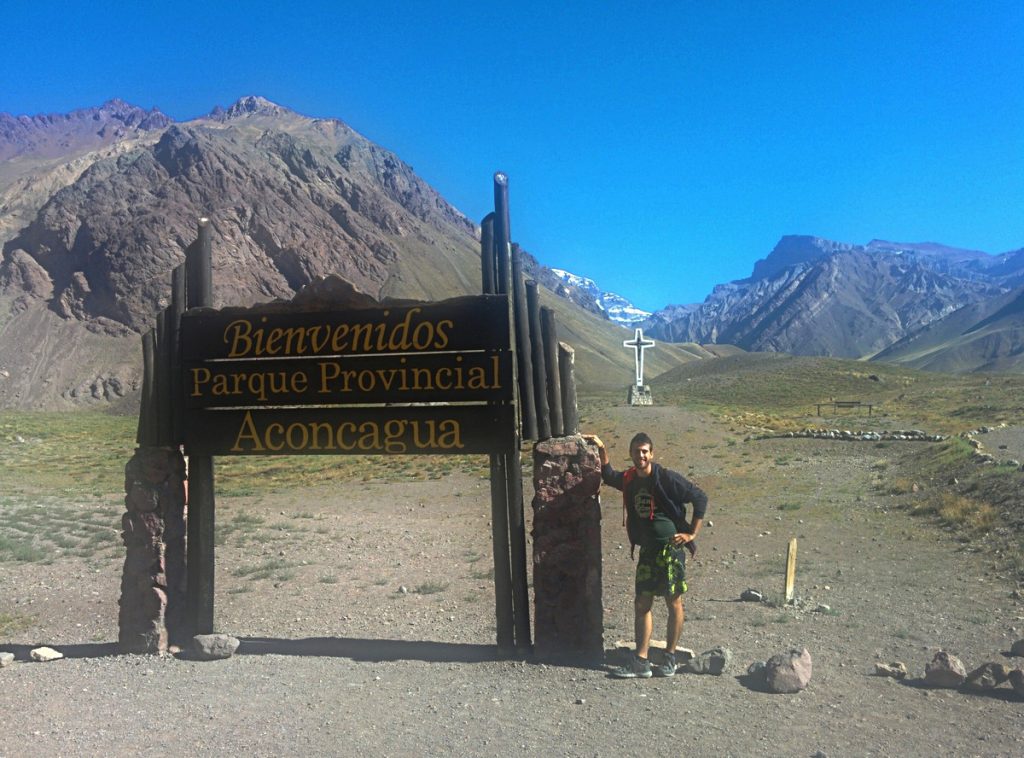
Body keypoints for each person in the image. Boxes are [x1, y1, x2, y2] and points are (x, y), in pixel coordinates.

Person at [583, 431, 707, 678]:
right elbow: (608, 475)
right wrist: (601, 447)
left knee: (673, 602)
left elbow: (699, 497)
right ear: (630, 453)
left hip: (670, 549)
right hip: (648, 551)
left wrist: (692, 534)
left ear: (651, 454)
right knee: (642, 602)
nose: (641, 455)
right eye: (637, 451)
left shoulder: (666, 478)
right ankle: (641, 660)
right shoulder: (629, 479)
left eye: (645, 451)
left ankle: (669, 658)